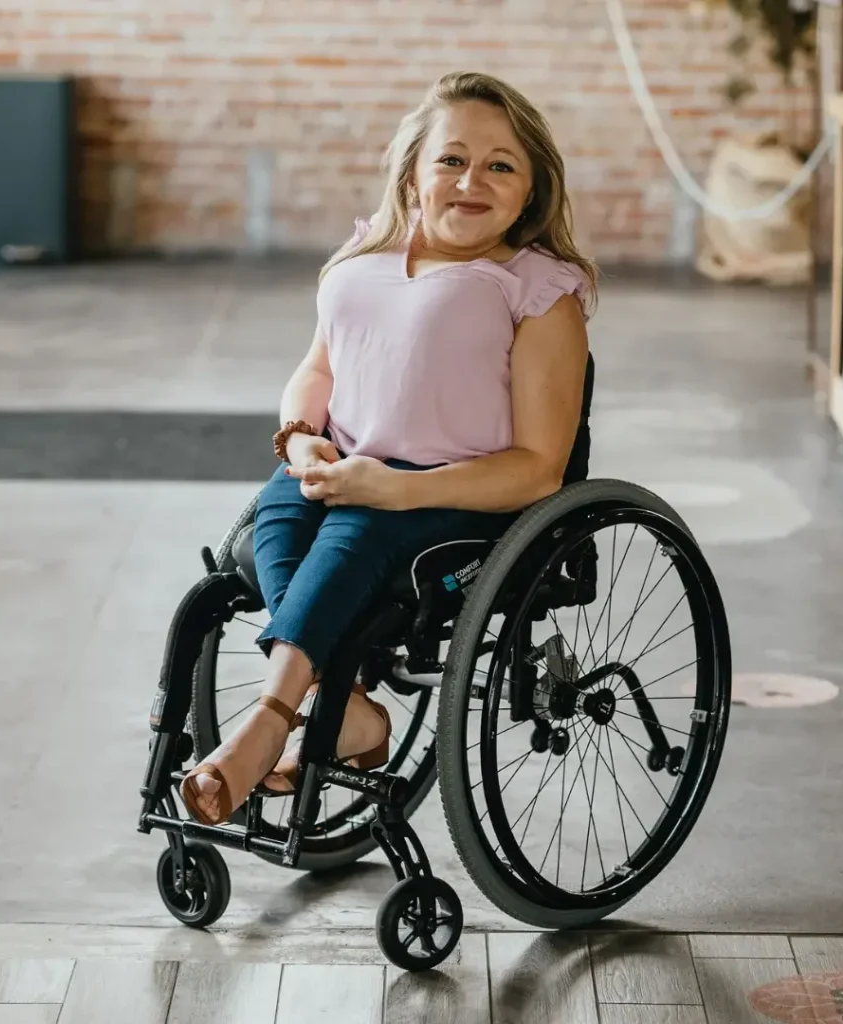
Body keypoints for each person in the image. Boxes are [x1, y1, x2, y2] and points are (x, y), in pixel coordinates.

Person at [181, 70, 597, 826]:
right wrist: (301, 441)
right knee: (277, 522)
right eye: (451, 159)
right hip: (342, 467)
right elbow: (317, 368)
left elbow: (541, 468)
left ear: (531, 192)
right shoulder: (362, 260)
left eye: (500, 165)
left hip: (453, 497)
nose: (472, 180)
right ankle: (347, 713)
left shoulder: (536, 289)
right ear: (413, 172)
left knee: (351, 537)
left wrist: (398, 489)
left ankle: (269, 721)